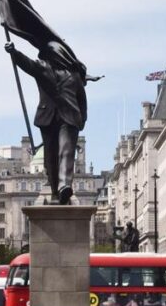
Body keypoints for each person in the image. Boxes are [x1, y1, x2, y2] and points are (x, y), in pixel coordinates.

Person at [5, 41, 101, 205]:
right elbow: (26, 64)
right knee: (50, 157)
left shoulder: (74, 75)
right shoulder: (42, 69)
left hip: (69, 117)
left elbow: (81, 99)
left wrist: (82, 119)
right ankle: (56, 192)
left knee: (66, 151)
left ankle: (65, 186)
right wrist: (14, 52)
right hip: (48, 116)